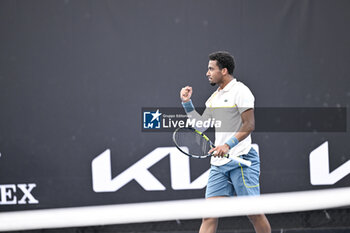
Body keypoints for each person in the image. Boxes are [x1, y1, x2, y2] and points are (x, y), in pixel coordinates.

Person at [180, 51, 271, 233]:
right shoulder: (214, 98)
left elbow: (249, 125)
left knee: (253, 213)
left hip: (242, 161)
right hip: (219, 165)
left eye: (211, 69)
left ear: (224, 71)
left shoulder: (241, 91)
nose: (207, 73)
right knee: (209, 215)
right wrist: (187, 103)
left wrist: (227, 145)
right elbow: (201, 125)